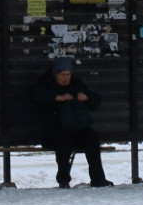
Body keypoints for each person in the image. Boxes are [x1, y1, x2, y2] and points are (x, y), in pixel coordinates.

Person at [31, 56, 110, 188]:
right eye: (62, 74)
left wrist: (87, 97)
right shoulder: (46, 85)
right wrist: (58, 98)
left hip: (77, 130)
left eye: (68, 74)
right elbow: (35, 94)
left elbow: (95, 102)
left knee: (91, 136)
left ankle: (98, 179)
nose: (65, 77)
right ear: (55, 74)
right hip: (54, 132)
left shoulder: (77, 85)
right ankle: (63, 179)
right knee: (63, 140)